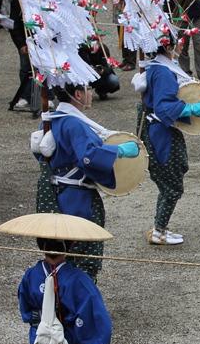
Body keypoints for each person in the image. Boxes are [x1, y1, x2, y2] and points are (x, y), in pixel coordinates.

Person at [35, 83, 138, 280]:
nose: (91, 93)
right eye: (88, 89)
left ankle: (58, 304)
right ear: (78, 94)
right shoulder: (73, 124)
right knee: (84, 258)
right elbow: (87, 156)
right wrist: (119, 151)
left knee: (60, 256)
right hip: (77, 199)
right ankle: (79, 306)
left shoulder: (52, 120)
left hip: (58, 193)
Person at [139, 35, 200, 244]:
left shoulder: (159, 67)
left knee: (173, 176)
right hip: (161, 131)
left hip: (160, 128)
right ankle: (159, 230)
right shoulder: (162, 71)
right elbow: (163, 107)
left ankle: (161, 227)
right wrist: (190, 109)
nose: (181, 45)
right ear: (168, 46)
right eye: (178, 42)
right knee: (171, 182)